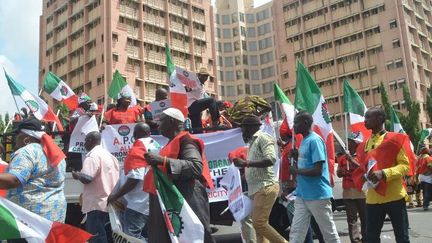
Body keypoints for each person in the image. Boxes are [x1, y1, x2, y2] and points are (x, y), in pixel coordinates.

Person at [143, 108, 215, 243]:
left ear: (171, 121)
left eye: (161, 121)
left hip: (186, 197)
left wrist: (161, 160)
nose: (158, 125)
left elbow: (195, 167)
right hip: (173, 199)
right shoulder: (172, 142)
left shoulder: (187, 141)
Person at [353, 107, 411, 243]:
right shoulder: (364, 144)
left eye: (368, 118)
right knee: (371, 238)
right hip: (373, 199)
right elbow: (364, 167)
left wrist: (384, 173)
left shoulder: (394, 139)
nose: (364, 121)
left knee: (402, 237)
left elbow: (405, 166)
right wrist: (363, 176)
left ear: (379, 119)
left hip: (395, 196)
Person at [233, 115, 288, 243]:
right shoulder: (253, 142)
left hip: (265, 187)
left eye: (244, 128)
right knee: (260, 229)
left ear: (251, 127)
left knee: (259, 223)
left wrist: (246, 164)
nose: (242, 131)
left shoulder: (263, 138)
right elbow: (255, 166)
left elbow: (271, 159)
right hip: (258, 188)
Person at [0, 118, 67, 222]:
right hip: (53, 219)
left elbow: (14, 180)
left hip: (30, 224)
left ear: (26, 138)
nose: (15, 138)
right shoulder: (56, 154)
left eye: (17, 134)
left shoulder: (27, 152)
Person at [288, 111, 340, 243]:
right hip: (302, 195)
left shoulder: (315, 140)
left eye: (296, 122)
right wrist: (297, 156)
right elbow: (308, 161)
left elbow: (317, 170)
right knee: (296, 233)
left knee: (328, 233)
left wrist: (296, 170)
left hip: (318, 195)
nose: (293, 126)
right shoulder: (304, 141)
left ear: (305, 123)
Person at [107, 123, 160, 239]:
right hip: (152, 199)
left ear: (134, 135)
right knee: (150, 236)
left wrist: (116, 196)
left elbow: (135, 179)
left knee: (131, 237)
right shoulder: (156, 146)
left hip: (138, 203)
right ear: (149, 133)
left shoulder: (137, 150)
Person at [72, 131, 120, 243]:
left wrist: (77, 175)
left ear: (90, 141)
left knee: (97, 237)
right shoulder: (110, 156)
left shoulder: (92, 156)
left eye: (85, 141)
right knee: (108, 235)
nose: (84, 144)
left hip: (96, 204)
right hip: (109, 202)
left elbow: (87, 178)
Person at [336, 133, 366, 243]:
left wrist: (352, 161)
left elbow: (365, 169)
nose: (347, 143)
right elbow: (339, 173)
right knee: (352, 219)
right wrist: (340, 173)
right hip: (348, 192)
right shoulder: (342, 158)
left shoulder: (363, 155)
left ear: (357, 143)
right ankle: (355, 241)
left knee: (365, 218)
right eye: (348, 140)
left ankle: (366, 239)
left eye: (350, 141)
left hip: (362, 192)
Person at [187, 67, 220, 132]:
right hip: (191, 107)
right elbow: (188, 88)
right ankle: (214, 122)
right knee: (211, 100)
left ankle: (198, 137)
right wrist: (187, 87)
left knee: (198, 131)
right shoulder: (194, 82)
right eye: (203, 75)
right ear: (199, 75)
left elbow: (206, 97)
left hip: (196, 111)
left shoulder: (201, 86)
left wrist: (217, 107)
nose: (205, 78)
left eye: (207, 76)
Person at [417, 144, 432, 210]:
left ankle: (425, 204)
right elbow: (430, 166)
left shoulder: (420, 158)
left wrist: (416, 177)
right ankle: (425, 205)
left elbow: (417, 168)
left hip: (421, 176)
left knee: (424, 191)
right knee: (427, 191)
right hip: (427, 176)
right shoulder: (428, 158)